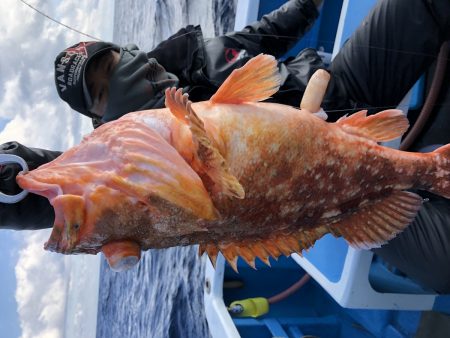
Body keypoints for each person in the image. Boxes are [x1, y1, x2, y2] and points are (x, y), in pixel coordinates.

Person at [1, 0, 450, 292]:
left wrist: (309, 5)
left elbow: (262, 37)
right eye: (102, 90)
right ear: (99, 119)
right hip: (345, 199)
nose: (119, 76)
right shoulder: (131, 178)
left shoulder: (186, 60)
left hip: (340, 91)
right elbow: (61, 195)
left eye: (111, 62)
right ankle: (426, 166)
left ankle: (422, 158)